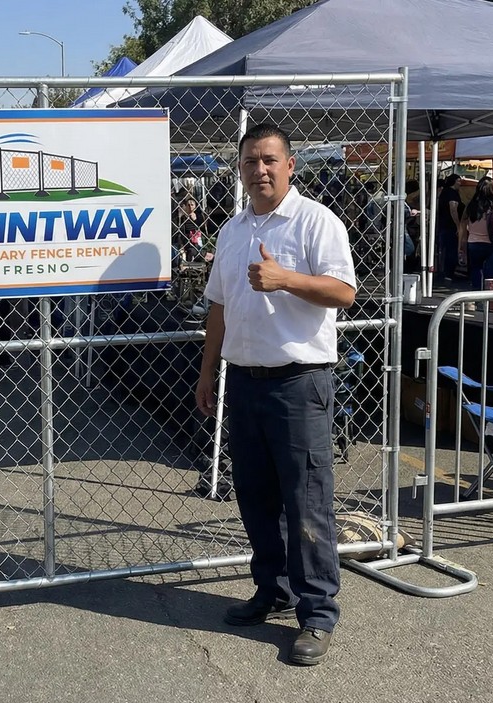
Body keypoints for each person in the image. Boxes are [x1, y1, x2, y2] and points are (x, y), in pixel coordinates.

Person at [195, 123, 355, 667]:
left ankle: (316, 612)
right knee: (256, 498)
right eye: (249, 162)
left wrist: (286, 278)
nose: (259, 169)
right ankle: (273, 589)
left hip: (297, 383)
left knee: (307, 502)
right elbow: (218, 305)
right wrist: (207, 371)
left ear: (290, 165)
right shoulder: (231, 231)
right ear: (239, 170)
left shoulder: (315, 222)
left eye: (268, 160)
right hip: (244, 380)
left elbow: (344, 291)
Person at [459, 177, 493, 290]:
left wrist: (461, 244)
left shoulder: (471, 205)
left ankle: (477, 296)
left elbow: (463, 225)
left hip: (474, 242)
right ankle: (492, 300)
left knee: (476, 271)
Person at [437, 174, 464, 281]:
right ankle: (449, 273)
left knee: (445, 249)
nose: (460, 183)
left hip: (443, 225)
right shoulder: (452, 194)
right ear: (453, 181)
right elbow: (453, 209)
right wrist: (458, 225)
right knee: (451, 249)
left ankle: (444, 272)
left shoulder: (444, 192)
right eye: (458, 181)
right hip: (450, 226)